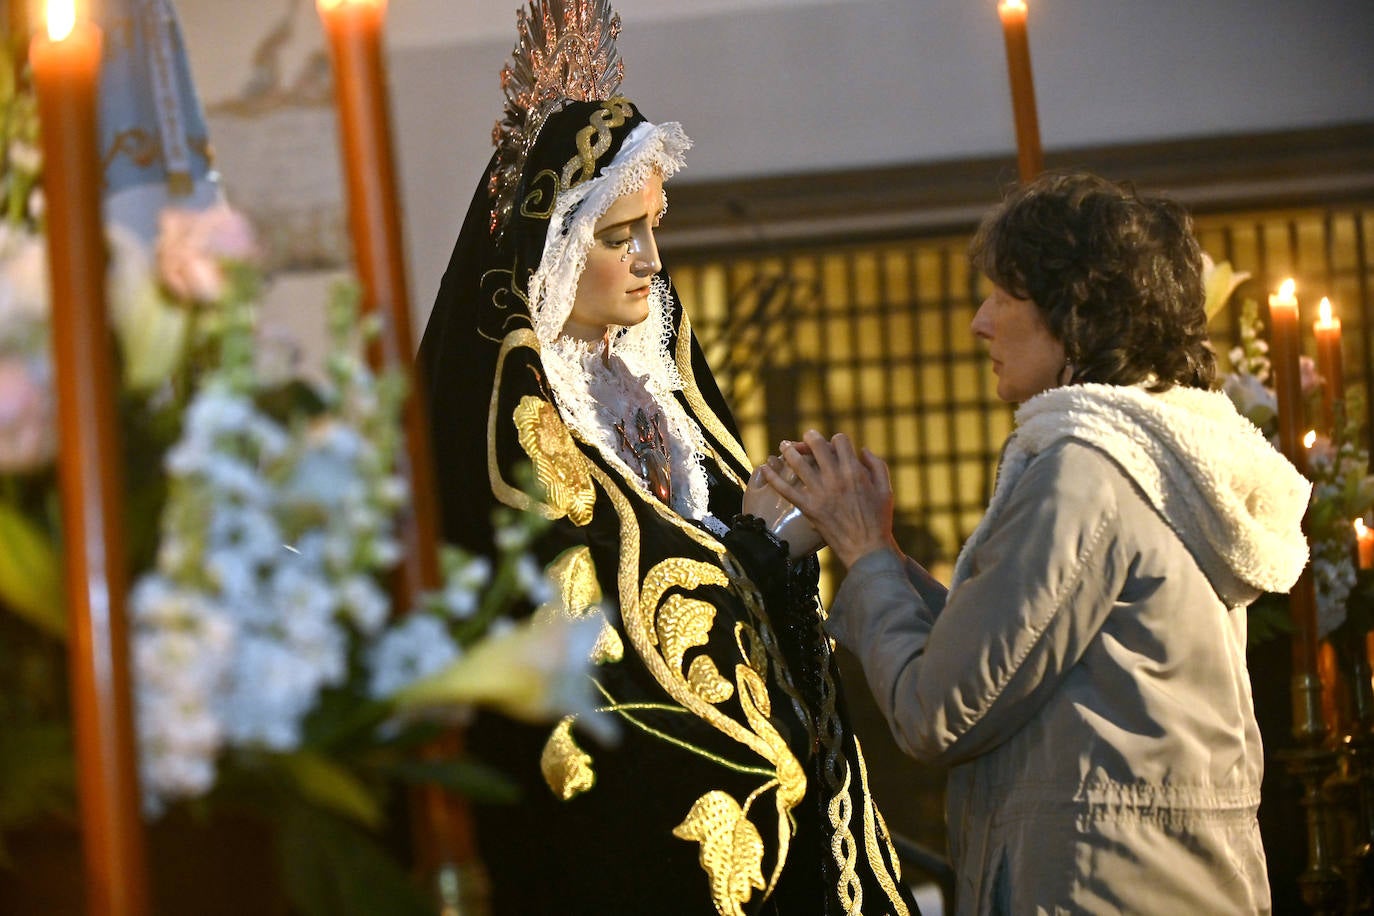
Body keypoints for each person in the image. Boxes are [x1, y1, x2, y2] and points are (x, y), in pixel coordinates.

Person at [417, 3, 917, 913]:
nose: (651, 259)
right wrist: (756, 548)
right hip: (628, 830)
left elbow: (710, 559)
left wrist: (767, 525)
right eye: (620, 237)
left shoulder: (659, 386)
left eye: (656, 225)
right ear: (555, 254)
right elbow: (594, 649)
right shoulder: (520, 432)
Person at [763, 171, 1310, 914]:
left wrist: (863, 551)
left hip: (1101, 887)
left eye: (1005, 296)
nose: (979, 323)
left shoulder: (1087, 471)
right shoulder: (1157, 458)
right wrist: (881, 553)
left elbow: (939, 709)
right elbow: (1007, 653)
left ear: (1075, 314)